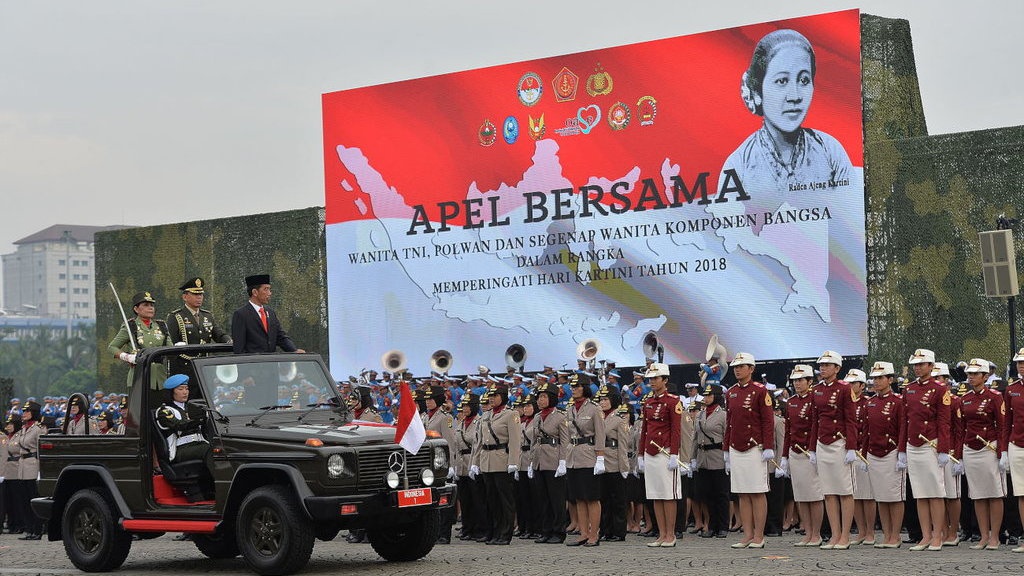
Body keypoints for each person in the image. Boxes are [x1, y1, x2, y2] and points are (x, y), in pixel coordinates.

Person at [724, 28, 852, 189]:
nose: (795, 96)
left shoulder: (830, 152)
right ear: (758, 91)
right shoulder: (739, 166)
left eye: (804, 80)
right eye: (782, 81)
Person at [899, 348, 952, 551]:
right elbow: (905, 420)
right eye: (915, 364)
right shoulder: (909, 389)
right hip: (913, 445)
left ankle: (938, 535)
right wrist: (902, 449)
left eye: (922, 364)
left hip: (931, 443)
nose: (917, 368)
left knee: (935, 492)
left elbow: (944, 421)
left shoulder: (939, 389)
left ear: (931, 366)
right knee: (920, 492)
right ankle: (926, 535)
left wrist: (944, 449)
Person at [723, 352, 774, 549]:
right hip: (736, 446)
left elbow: (767, 421)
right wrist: (726, 449)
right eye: (736, 366)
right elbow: (730, 423)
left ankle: (759, 536)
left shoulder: (760, 391)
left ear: (751, 369)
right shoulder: (731, 392)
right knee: (742, 493)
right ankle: (747, 534)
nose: (737, 369)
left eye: (742, 366)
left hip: (755, 446)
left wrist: (768, 446)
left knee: (757, 492)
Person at [808, 350, 858, 550]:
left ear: (837, 368)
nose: (823, 368)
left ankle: (845, 535)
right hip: (822, 442)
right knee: (828, 492)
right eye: (821, 365)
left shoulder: (845, 388)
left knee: (844, 491)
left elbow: (851, 419)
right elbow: (815, 421)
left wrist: (852, 447)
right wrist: (812, 448)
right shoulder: (817, 390)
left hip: (840, 442)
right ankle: (835, 534)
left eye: (827, 365)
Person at [958, 358, 1007, 550]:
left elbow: (1002, 425)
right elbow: (961, 427)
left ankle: (995, 536)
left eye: (975, 374)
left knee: (994, 493)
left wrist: (1002, 451)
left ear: (985, 376)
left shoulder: (995, 397)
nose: (970, 377)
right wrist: (960, 453)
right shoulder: (965, 398)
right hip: (970, 448)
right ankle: (984, 535)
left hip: (989, 447)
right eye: (969, 374)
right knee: (977, 494)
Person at [862, 361, 906, 548]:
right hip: (874, 452)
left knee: (894, 496)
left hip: (892, 451)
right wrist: (863, 454)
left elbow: (903, 427)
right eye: (874, 378)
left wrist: (902, 452)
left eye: (880, 378)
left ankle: (895, 535)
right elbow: (866, 431)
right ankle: (887, 535)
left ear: (890, 380)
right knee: (881, 496)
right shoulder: (870, 403)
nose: (876, 381)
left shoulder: (898, 401)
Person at [471, 382, 521, 545]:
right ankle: (495, 531)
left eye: (495, 396)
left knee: (504, 499)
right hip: (487, 460)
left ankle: (506, 533)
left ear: (503, 397)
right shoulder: (486, 415)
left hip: (502, 459)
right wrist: (475, 462)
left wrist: (514, 462)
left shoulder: (510, 415)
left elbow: (515, 440)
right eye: (490, 396)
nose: (491, 399)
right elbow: (479, 442)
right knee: (491, 499)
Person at [638, 362, 681, 547]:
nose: (652, 382)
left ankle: (670, 534)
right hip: (650, 451)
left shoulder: (672, 401)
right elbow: (644, 430)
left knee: (668, 495)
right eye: (650, 379)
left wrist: (675, 454)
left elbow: (676, 430)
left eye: (656, 378)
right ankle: (661, 533)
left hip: (665, 452)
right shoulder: (648, 402)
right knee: (655, 494)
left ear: (665, 380)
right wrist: (640, 454)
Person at [782, 364, 825, 547]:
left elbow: (817, 425)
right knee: (801, 495)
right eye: (795, 380)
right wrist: (784, 456)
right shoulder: (791, 402)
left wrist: (814, 449)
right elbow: (789, 430)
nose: (797, 383)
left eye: (801, 380)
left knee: (814, 494)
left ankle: (816, 533)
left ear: (810, 381)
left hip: (810, 450)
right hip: (795, 451)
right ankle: (807, 532)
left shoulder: (815, 398)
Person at [155, 373, 214, 502]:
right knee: (209, 450)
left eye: (186, 389)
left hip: (198, 445)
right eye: (180, 389)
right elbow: (179, 426)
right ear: (172, 392)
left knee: (220, 448)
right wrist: (198, 419)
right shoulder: (165, 411)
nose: (185, 392)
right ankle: (223, 487)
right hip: (180, 450)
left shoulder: (193, 408)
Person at [564, 372, 606, 547]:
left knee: (591, 497)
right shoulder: (570, 409)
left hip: (589, 456)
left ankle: (594, 534)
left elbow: (600, 434)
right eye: (572, 387)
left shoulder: (594, 408)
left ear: (585, 388)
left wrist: (600, 458)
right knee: (578, 498)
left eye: (577, 386)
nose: (574, 389)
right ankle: (583, 532)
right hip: (573, 456)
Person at [107, 291, 173, 387]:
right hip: (139, 377)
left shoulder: (161, 325)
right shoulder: (131, 326)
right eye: (146, 305)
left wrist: (176, 348)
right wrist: (127, 357)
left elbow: (169, 348)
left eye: (152, 305)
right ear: (136, 309)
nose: (150, 308)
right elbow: (112, 347)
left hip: (160, 379)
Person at [231, 274, 305, 354]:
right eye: (266, 289)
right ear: (255, 292)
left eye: (269, 289)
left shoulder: (270, 312)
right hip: (253, 364)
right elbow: (239, 349)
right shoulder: (241, 314)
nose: (270, 293)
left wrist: (294, 350)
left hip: (271, 364)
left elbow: (280, 336)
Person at [693, 383, 729, 539]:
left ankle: (722, 526)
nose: (706, 398)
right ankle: (711, 525)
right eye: (705, 395)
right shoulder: (700, 414)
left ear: (716, 397)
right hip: (703, 457)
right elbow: (695, 438)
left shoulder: (723, 415)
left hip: (717, 456)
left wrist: (728, 457)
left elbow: (727, 436)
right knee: (707, 494)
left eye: (709, 395)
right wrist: (692, 458)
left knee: (721, 494)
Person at [846, 368, 875, 545]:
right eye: (848, 383)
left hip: (863, 451)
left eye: (853, 383)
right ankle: (861, 530)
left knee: (868, 494)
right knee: (854, 494)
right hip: (848, 451)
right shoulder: (844, 402)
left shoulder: (867, 402)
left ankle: (870, 531)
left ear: (862, 386)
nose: (850, 386)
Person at [597, 386, 630, 542]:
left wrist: (624, 466)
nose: (602, 403)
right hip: (601, 461)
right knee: (604, 499)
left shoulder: (619, 419)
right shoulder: (598, 417)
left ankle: (618, 531)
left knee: (618, 500)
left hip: (614, 461)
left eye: (606, 399)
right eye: (601, 400)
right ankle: (605, 530)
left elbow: (623, 445)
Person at [12, 401, 43, 539]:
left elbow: (41, 450)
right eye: (23, 411)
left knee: (33, 499)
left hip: (32, 465)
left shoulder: (38, 429)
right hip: (22, 466)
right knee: (24, 501)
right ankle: (29, 529)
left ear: (33, 413)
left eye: (27, 411)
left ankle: (37, 530)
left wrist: (40, 471)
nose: (23, 414)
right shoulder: (23, 428)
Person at [1005, 348, 1024, 553]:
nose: (1021, 365)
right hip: (1017, 444)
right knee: (1021, 493)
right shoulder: (1012, 389)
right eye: (1019, 362)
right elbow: (1006, 423)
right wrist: (1004, 450)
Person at [1, 413, 23, 535]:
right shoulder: (5, 437)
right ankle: (11, 523)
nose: (8, 426)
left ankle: (19, 524)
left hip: (16, 469)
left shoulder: (20, 435)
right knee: (7, 500)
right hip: (6, 471)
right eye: (7, 424)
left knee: (17, 500)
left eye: (10, 424)